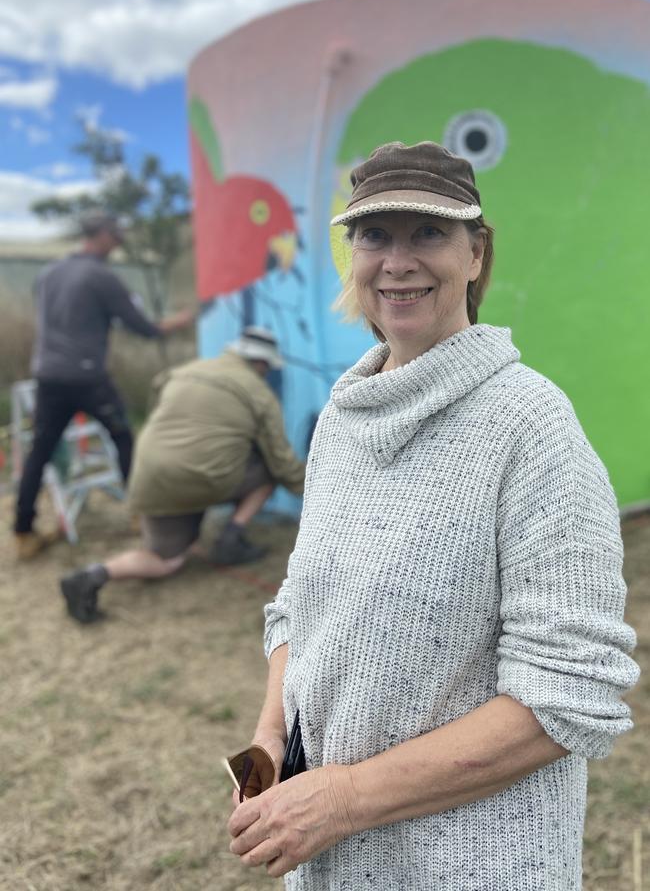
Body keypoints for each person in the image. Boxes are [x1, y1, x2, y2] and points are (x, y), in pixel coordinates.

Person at [227, 142, 639, 889]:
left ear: (476, 254)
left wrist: (344, 798)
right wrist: (270, 736)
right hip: (330, 857)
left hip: (472, 865)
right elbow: (301, 605)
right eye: (374, 236)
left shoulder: (531, 425)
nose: (398, 261)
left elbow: (569, 691)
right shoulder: (341, 419)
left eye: (429, 233)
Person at [60, 326, 305, 624]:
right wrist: (315, 491)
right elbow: (281, 461)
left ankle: (93, 575)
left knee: (164, 560)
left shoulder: (183, 372)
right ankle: (231, 538)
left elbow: (156, 408)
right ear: (261, 364)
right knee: (266, 470)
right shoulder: (259, 393)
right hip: (206, 479)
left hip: (150, 477)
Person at [14, 210, 194, 560]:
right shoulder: (101, 277)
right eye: (116, 235)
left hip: (47, 375)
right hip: (86, 377)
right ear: (102, 235)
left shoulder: (49, 273)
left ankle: (23, 531)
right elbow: (142, 327)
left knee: (40, 451)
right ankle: (140, 515)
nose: (119, 241)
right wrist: (181, 321)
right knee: (124, 438)